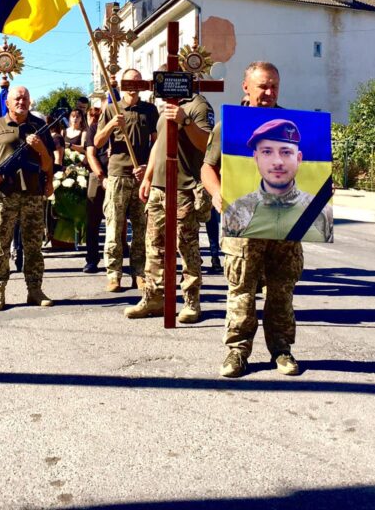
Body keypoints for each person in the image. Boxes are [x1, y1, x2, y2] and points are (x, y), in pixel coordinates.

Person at [202, 61, 304, 378]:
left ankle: (282, 350)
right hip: (242, 223)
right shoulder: (230, 124)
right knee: (241, 291)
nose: (269, 92)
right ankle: (237, 351)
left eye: (274, 85)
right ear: (246, 87)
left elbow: (309, 167)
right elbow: (208, 168)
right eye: (262, 86)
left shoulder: (294, 124)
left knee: (281, 291)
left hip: (284, 223)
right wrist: (217, 193)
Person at [126, 89, 214, 323]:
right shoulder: (165, 105)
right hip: (159, 188)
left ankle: (191, 301)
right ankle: (154, 297)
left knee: (186, 247)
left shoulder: (199, 105)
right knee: (153, 245)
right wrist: (148, 177)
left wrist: (184, 120)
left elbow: (208, 144)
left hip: (184, 188)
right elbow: (158, 145)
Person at [0, 85, 55, 311]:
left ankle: (35, 290)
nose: (22, 102)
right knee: (1, 246)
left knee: (33, 246)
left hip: (33, 194)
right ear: (7, 103)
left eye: (26, 98)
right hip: (4, 195)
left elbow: (48, 165)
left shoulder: (39, 127)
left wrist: (41, 150)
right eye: (17, 98)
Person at [94, 69, 158, 292]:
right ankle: (114, 274)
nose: (133, 85)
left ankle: (139, 273)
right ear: (122, 85)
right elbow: (98, 141)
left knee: (141, 229)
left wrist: (148, 170)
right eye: (129, 81)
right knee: (114, 227)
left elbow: (156, 144)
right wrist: (112, 124)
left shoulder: (149, 110)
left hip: (140, 176)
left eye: (137, 81)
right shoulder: (111, 108)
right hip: (118, 175)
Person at [222, 119, 333, 242]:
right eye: (267, 152)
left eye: (286, 152)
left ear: (299, 158)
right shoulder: (236, 211)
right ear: (256, 158)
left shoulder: (322, 211)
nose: (278, 162)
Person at [82, 99, 108, 272]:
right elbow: (91, 154)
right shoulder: (94, 128)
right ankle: (92, 258)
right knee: (93, 219)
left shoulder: (123, 126)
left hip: (120, 175)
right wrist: (101, 175)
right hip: (98, 176)